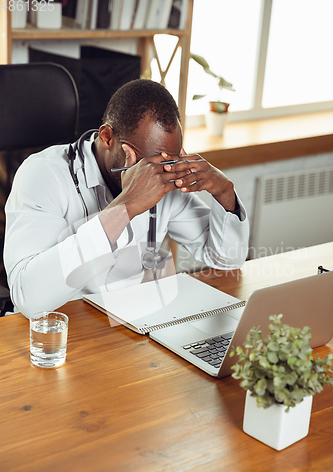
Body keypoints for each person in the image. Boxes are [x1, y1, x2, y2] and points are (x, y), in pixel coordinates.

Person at [4, 79, 249, 319]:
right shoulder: (43, 174)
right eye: (147, 163)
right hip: (55, 332)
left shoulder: (165, 176)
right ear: (107, 137)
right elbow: (29, 299)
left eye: (169, 161)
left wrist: (224, 192)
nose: (158, 174)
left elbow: (226, 259)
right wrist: (126, 207)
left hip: (127, 328)